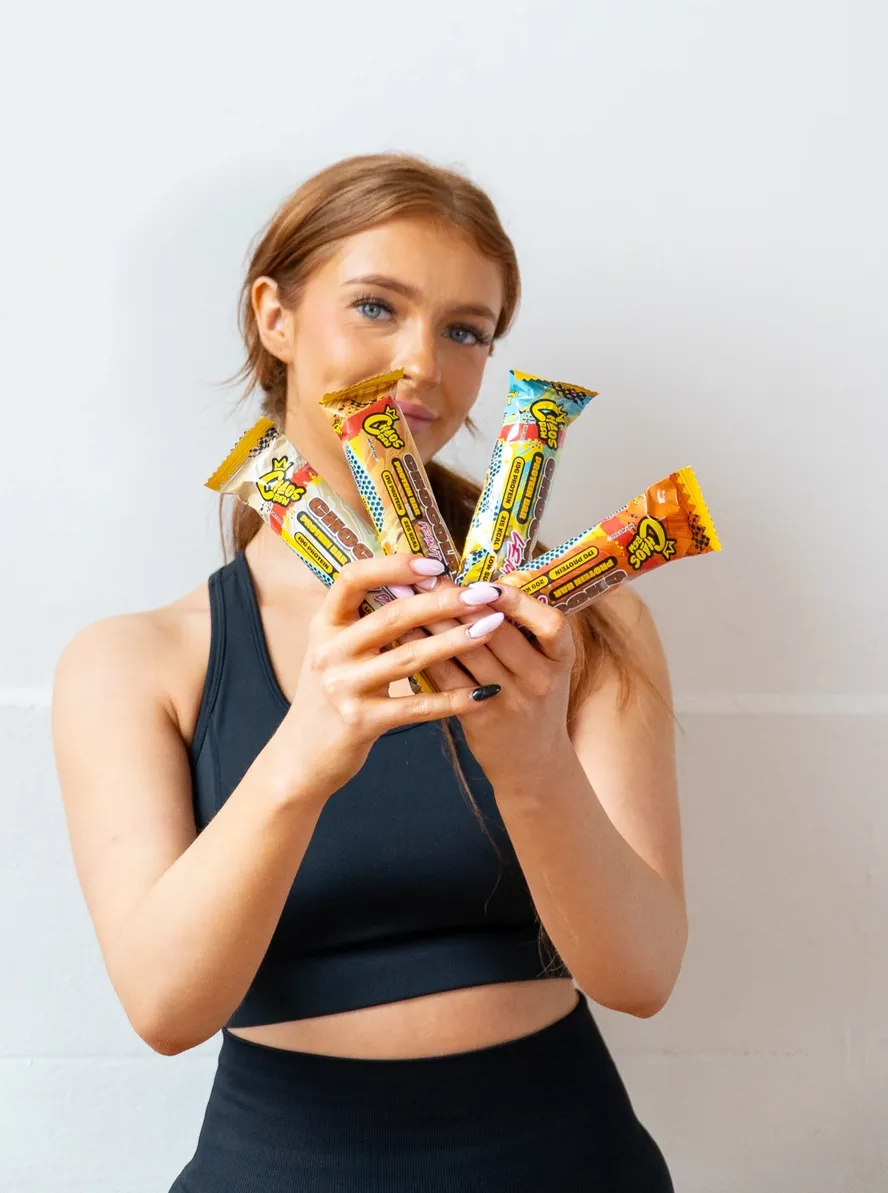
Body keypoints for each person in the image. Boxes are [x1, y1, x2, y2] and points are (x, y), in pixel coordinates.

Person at [52, 152, 684, 1191]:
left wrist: (529, 760)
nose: (421, 364)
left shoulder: (583, 619)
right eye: (377, 306)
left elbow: (641, 974)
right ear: (276, 317)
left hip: (572, 1161)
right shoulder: (138, 660)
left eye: (466, 329)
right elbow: (164, 1009)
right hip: (281, 1165)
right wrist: (305, 751)